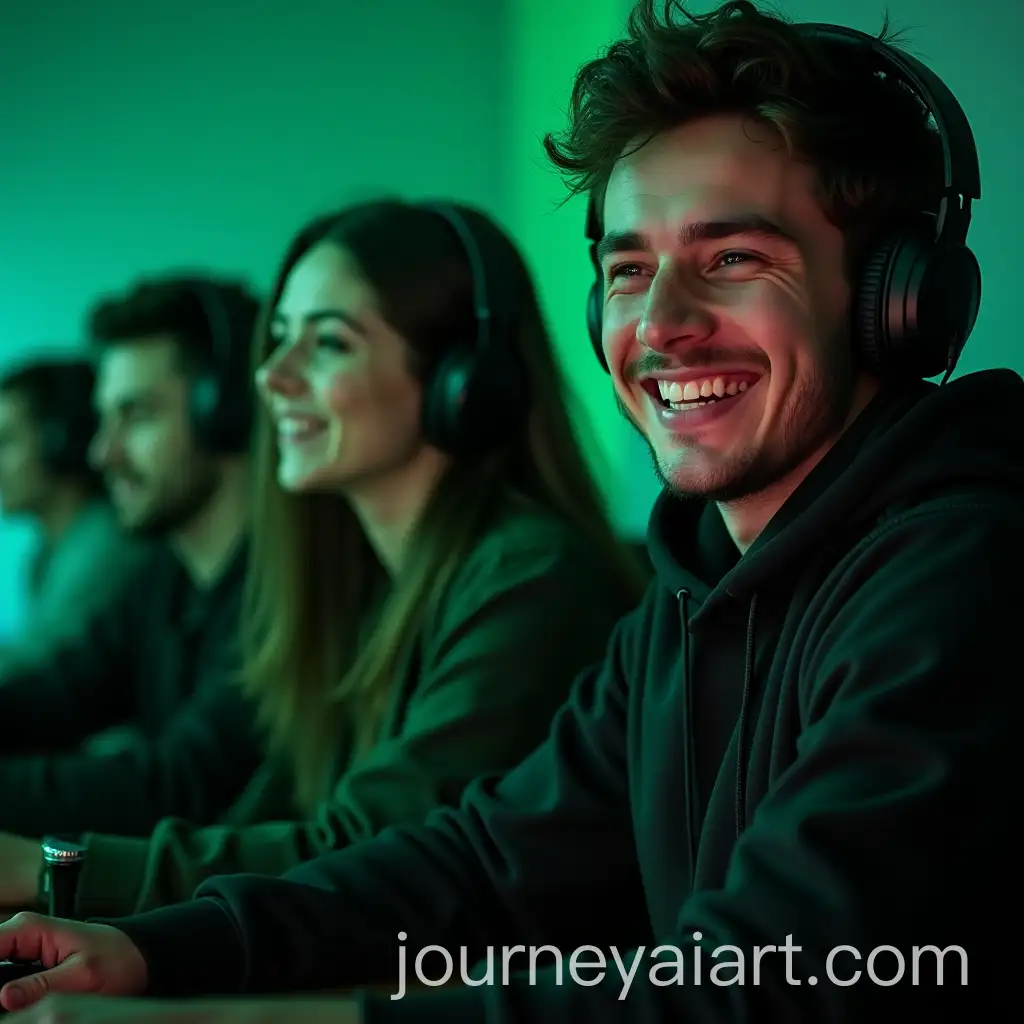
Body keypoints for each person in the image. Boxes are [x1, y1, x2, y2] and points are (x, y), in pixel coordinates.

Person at [0, 1, 1012, 1019]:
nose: (658, 321)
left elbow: (753, 988)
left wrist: (233, 1019)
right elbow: (487, 860)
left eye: (732, 259)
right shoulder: (691, 592)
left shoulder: (966, 574)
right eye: (626, 270)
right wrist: (155, 954)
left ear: (895, 299)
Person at [0, 199, 646, 920]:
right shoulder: (366, 591)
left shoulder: (531, 579)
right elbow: (263, 826)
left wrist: (54, 869)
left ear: (462, 382)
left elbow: (370, 850)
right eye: (278, 340)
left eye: (329, 343)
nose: (271, 376)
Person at [0, 274, 265, 851]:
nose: (103, 452)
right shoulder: (162, 579)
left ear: (225, 411)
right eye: (104, 420)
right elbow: (55, 695)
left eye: (137, 415)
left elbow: (177, 785)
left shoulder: (286, 589)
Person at [0, 358, 149, 668]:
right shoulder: (43, 555)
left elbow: (37, 671)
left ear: (60, 442)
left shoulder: (103, 547)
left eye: (6, 442)